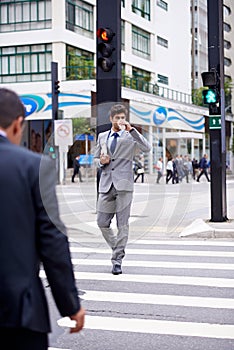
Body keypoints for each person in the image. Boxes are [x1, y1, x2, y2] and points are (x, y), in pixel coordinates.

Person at [0, 88, 85, 350]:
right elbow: (51, 240)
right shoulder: (32, 166)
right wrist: (70, 304)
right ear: (18, 124)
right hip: (16, 310)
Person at [94, 103, 151, 275]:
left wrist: (132, 130)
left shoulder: (130, 135)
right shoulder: (102, 136)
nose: (120, 120)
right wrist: (100, 162)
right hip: (106, 185)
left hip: (124, 185)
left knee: (122, 225)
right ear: (111, 119)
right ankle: (117, 249)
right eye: (117, 118)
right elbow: (96, 158)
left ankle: (117, 260)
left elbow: (147, 148)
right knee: (102, 222)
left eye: (122, 117)